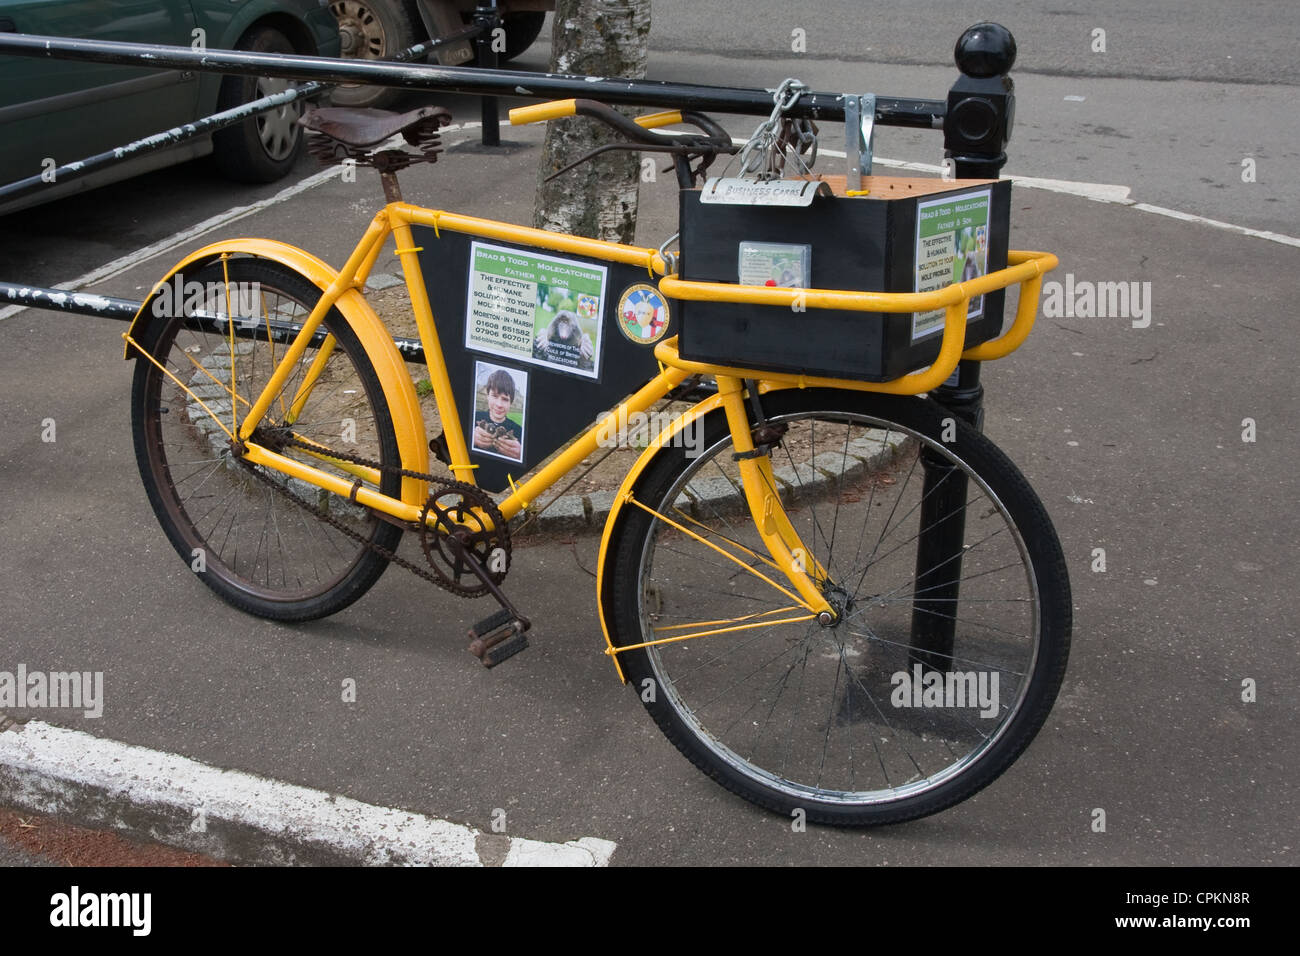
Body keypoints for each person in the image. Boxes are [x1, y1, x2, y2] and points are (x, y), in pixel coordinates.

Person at [472, 368, 522, 460]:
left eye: (505, 399)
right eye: (494, 396)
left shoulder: (520, 432)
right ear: (487, 396)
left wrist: (520, 455)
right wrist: (469, 439)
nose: (499, 405)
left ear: (510, 403)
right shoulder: (472, 418)